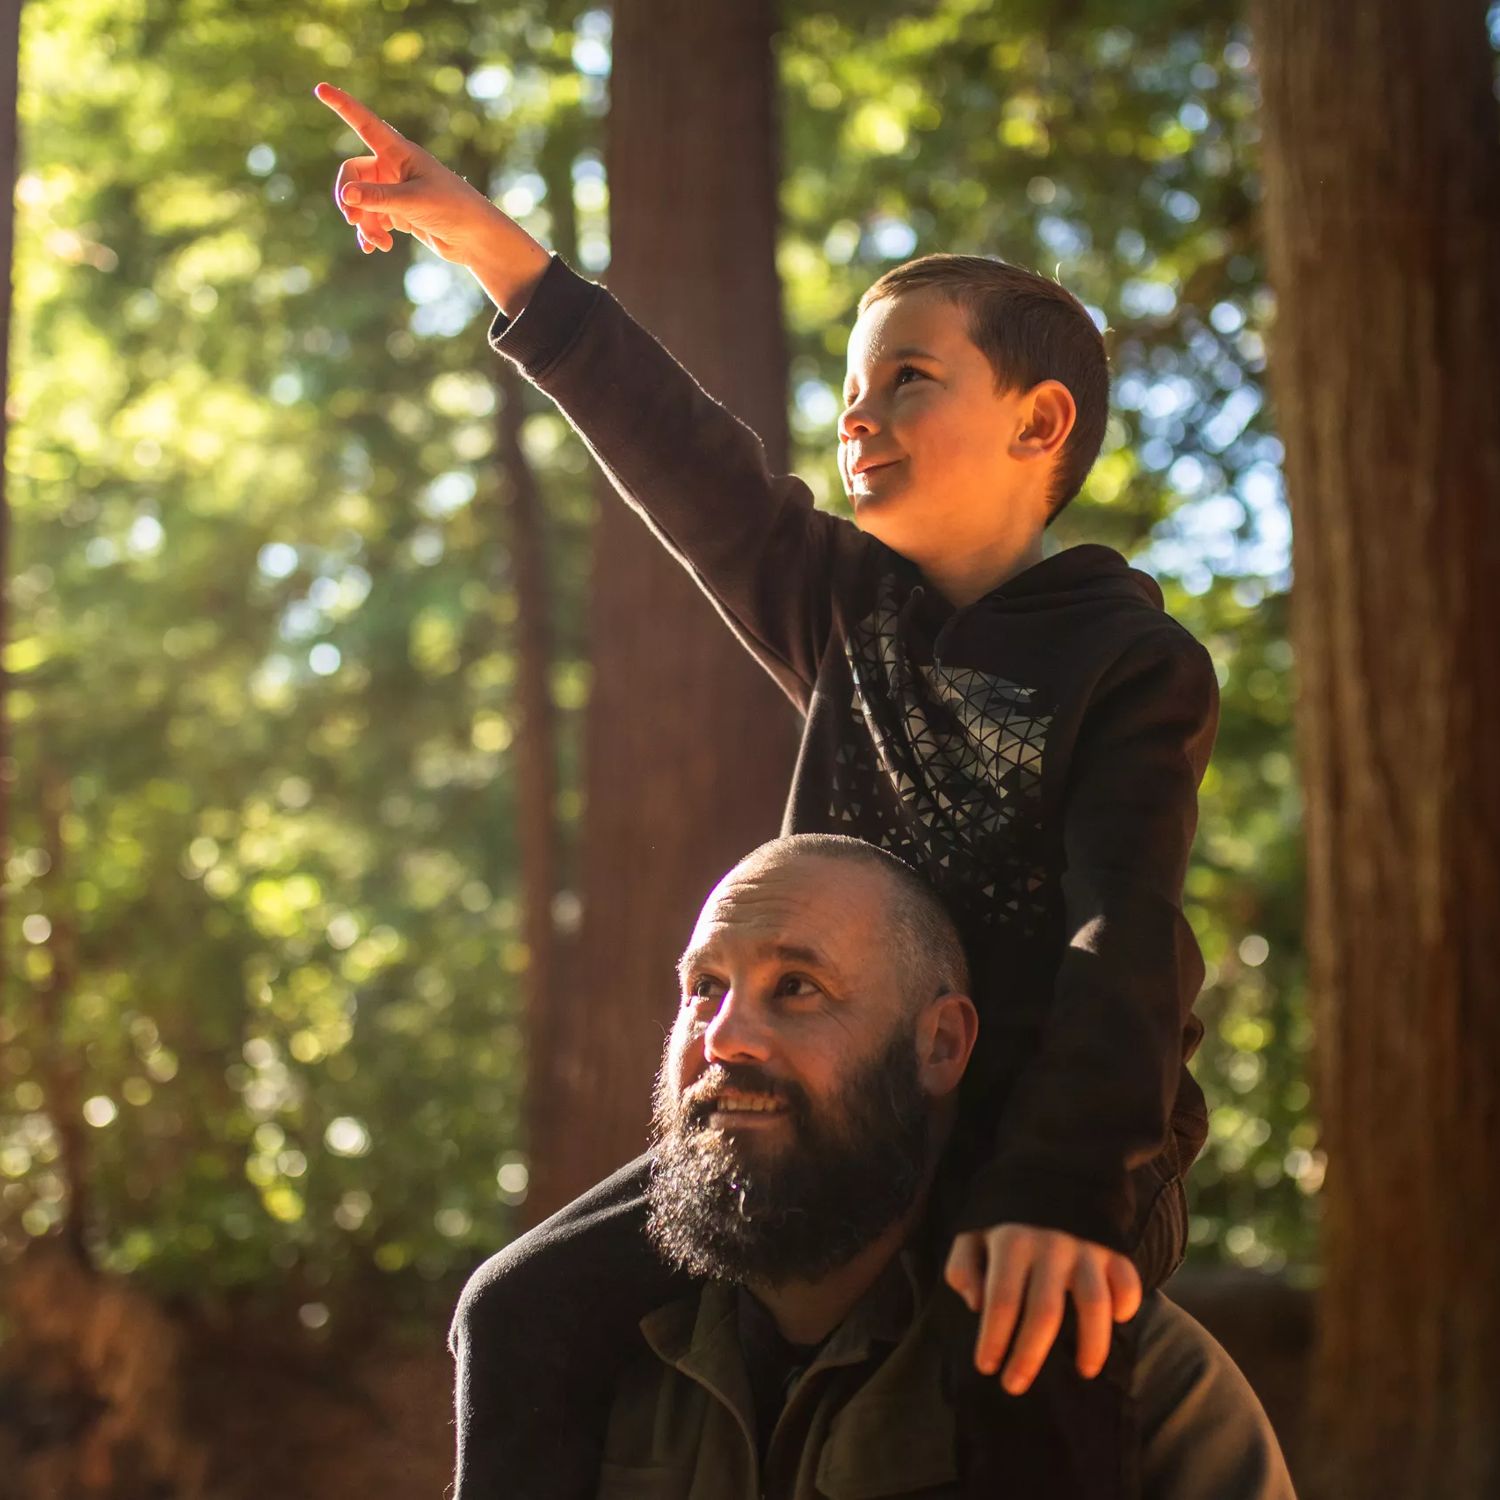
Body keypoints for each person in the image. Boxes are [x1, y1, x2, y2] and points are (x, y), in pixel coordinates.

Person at [314, 83, 1221, 1499]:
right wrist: (485, 241)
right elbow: (679, 449)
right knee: (517, 1305)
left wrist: (1058, 1197)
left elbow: (1129, 939)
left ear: (1042, 423)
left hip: (1049, 1123)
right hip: (831, 1089)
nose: (860, 418)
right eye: (851, 392)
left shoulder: (1131, 661)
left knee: (1021, 1338)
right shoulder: (841, 608)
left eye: (909, 380)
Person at [607, 833, 1295, 1498]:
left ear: (940, 1045)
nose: (725, 1037)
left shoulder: (1136, 1390)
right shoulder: (591, 1360)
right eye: (704, 987)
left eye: (795, 985)